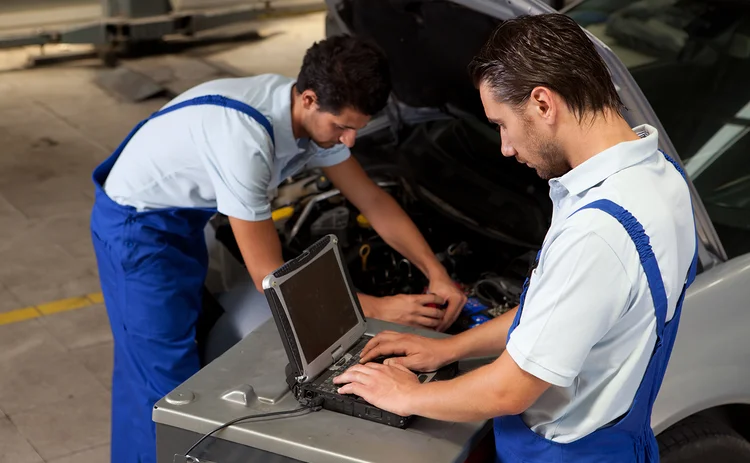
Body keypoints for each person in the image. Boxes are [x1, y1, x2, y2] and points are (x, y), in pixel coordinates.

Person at [333, 13, 698, 463]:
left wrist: (406, 395)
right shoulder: (663, 177)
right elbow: (557, 314)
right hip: (620, 439)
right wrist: (450, 348)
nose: (505, 147)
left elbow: (511, 388)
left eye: (502, 123)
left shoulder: (598, 232)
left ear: (544, 103)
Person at [90, 35, 466, 463]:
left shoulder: (312, 118)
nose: (349, 141)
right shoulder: (245, 141)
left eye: (357, 129)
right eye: (342, 127)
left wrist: (435, 272)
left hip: (183, 219)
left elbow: (374, 201)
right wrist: (376, 308)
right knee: (163, 386)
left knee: (182, 350)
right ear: (309, 99)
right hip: (136, 230)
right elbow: (268, 276)